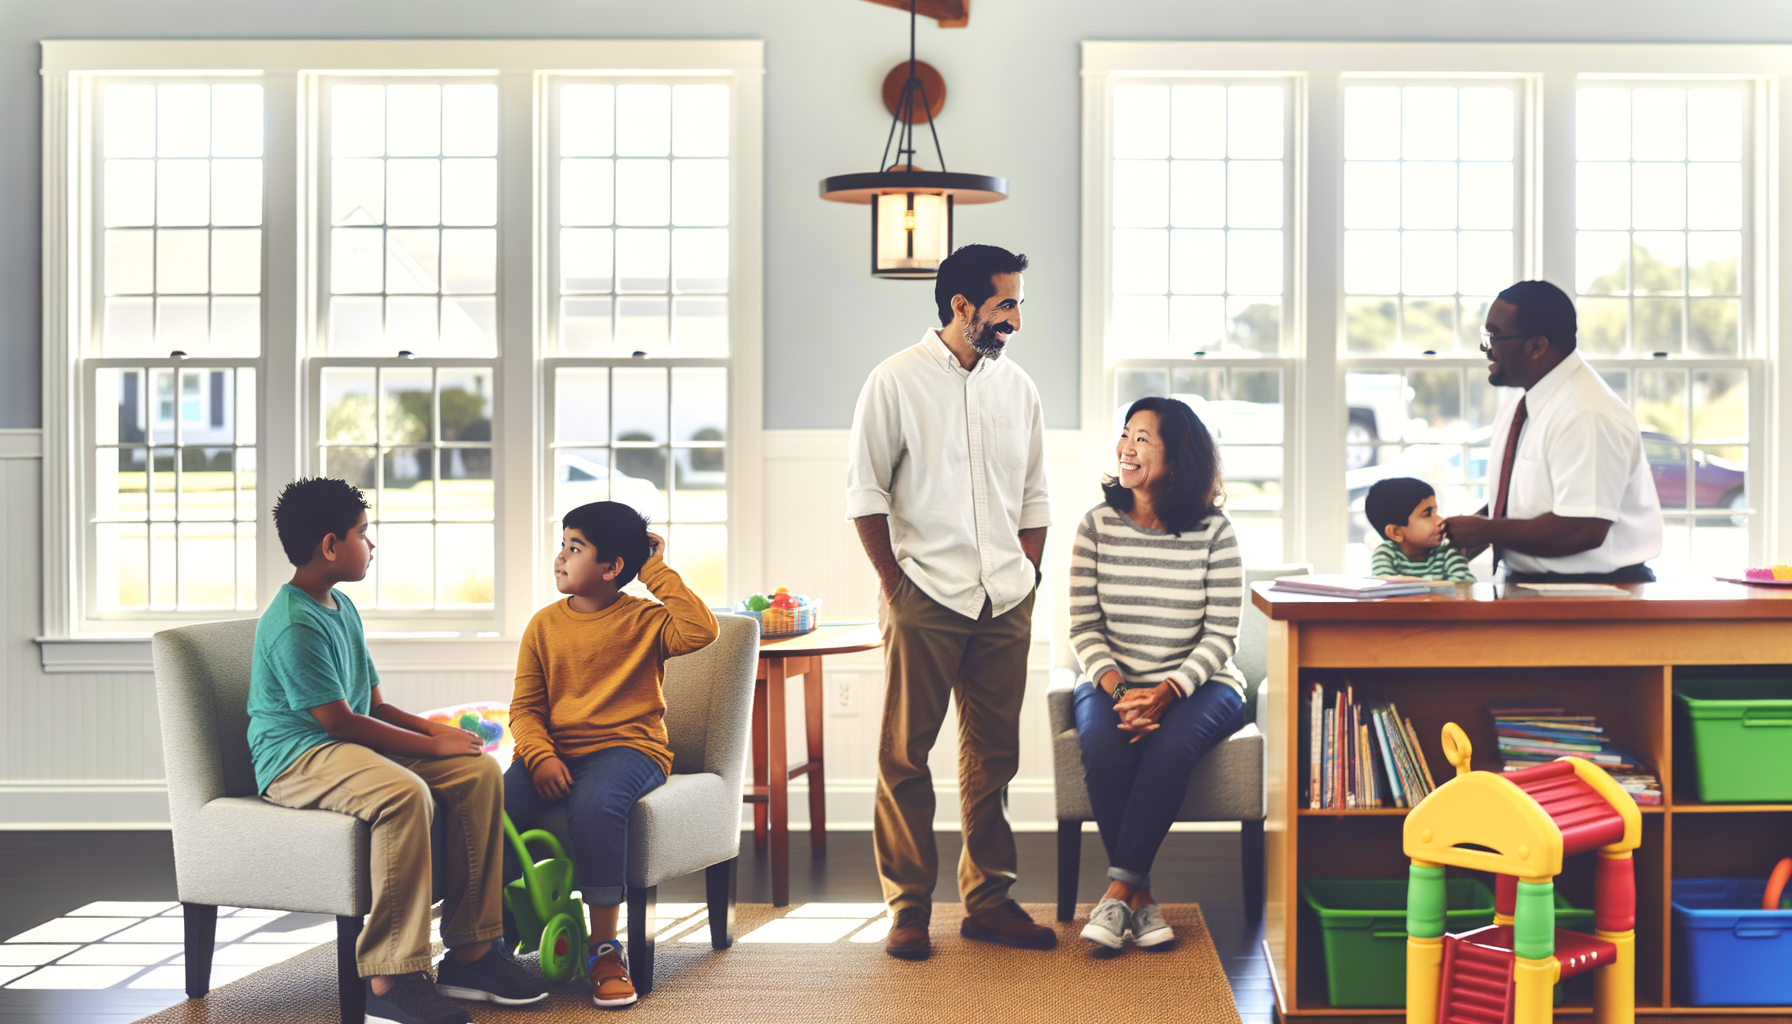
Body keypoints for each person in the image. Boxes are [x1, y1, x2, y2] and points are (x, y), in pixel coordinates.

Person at [250, 478, 546, 1024]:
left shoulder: (339, 606)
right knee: (405, 794)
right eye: (364, 533)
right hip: (297, 757)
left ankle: (473, 951)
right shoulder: (294, 622)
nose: (372, 543)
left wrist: (444, 739)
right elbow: (339, 723)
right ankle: (389, 976)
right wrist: (430, 742)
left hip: (341, 740)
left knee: (477, 772)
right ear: (331, 545)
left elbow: (376, 707)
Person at [846, 243, 1054, 960]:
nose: (1016, 321)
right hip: (925, 593)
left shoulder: (1017, 388)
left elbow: (1034, 496)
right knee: (906, 755)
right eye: (1005, 305)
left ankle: (988, 900)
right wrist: (894, 586)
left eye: (1018, 303)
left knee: (994, 756)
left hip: (1006, 597)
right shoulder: (893, 381)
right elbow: (866, 495)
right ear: (962, 305)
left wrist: (1027, 571)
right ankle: (907, 909)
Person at [504, 501, 719, 1008]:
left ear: (612, 567)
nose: (559, 558)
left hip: (629, 749)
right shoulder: (543, 625)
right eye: (562, 544)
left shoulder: (646, 620)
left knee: (595, 805)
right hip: (554, 751)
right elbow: (525, 708)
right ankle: (483, 941)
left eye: (574, 548)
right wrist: (538, 756)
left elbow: (701, 629)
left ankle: (605, 949)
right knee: (489, 806)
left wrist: (655, 569)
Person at [1069, 397, 1248, 952]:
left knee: (1169, 749)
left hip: (1203, 685)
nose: (1127, 446)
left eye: (1144, 438)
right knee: (1101, 742)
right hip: (1113, 683)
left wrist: (1168, 692)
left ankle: (1118, 890)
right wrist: (1123, 694)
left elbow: (1222, 635)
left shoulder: (1215, 531)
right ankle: (1140, 902)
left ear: (1180, 457)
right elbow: (1083, 627)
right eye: (1126, 433)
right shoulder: (1096, 525)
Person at [1445, 280, 1663, 583]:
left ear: (1537, 346)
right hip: (1531, 586)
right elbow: (1516, 505)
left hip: (1596, 596)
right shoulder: (1521, 398)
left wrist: (1485, 530)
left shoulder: (1587, 412)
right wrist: (1448, 542)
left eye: (1493, 335)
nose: (1485, 346)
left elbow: (1583, 526)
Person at [1365, 477, 1476, 582]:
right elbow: (1385, 586)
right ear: (1395, 533)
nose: (1440, 520)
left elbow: (1464, 585)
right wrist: (1438, 585)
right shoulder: (1386, 554)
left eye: (1436, 512)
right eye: (1427, 514)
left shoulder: (1447, 553)